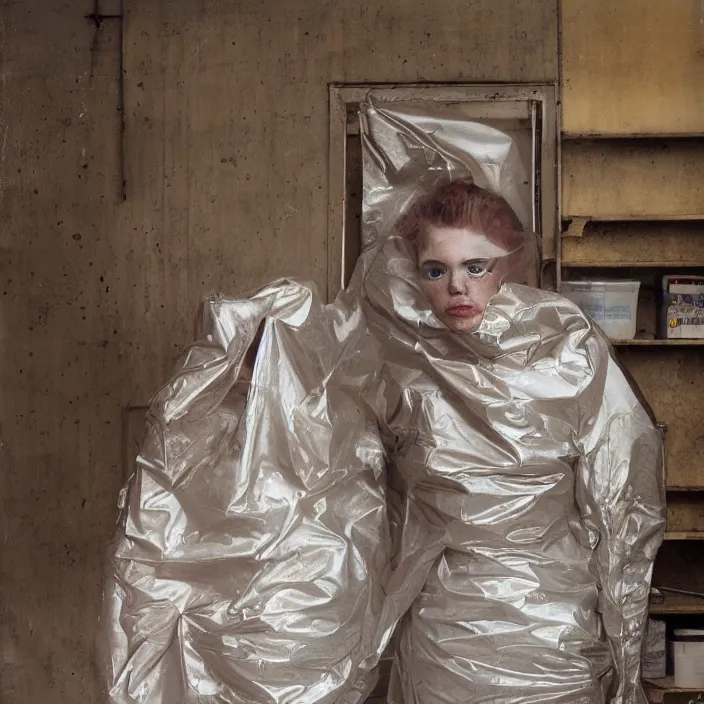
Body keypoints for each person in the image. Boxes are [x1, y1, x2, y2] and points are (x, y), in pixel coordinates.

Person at [101, 176, 665, 704]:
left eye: (476, 266)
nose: (458, 287)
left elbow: (625, 503)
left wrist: (626, 646)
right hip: (445, 634)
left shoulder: (567, 350)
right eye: (436, 271)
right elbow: (315, 401)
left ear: (508, 267)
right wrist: (253, 346)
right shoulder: (401, 360)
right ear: (414, 274)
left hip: (551, 633)